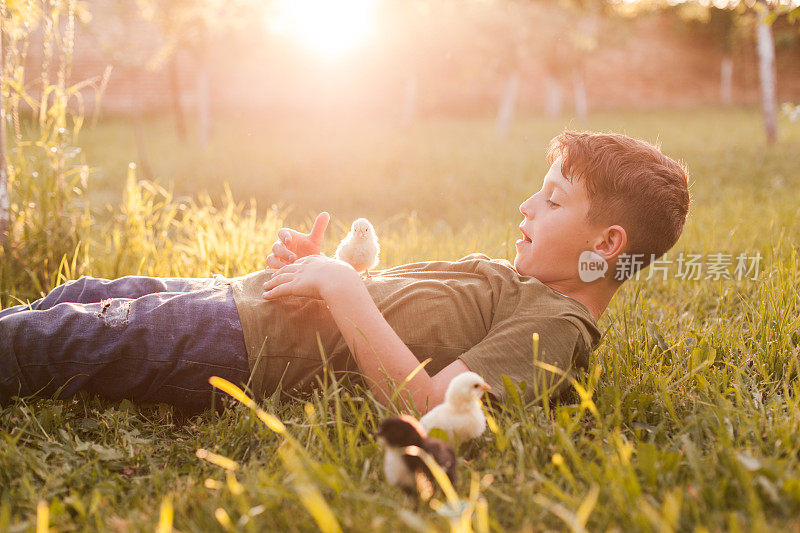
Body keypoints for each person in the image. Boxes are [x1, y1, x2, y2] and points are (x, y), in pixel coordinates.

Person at [0, 130, 690, 415]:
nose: (526, 204)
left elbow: (430, 408)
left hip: (240, 343)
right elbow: (404, 316)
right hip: (237, 301)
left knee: (57, 339)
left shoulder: (558, 323)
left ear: (607, 242)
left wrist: (341, 286)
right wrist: (324, 273)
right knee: (79, 297)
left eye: (553, 198)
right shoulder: (531, 289)